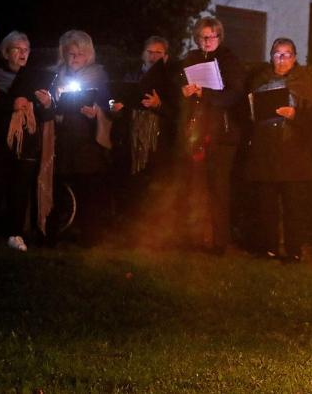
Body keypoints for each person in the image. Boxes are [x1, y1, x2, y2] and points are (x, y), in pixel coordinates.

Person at [0, 31, 53, 250]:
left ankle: (15, 234)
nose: (23, 54)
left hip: (27, 142)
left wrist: (46, 104)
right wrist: (10, 105)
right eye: (17, 49)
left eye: (26, 50)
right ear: (6, 52)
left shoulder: (34, 78)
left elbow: (47, 117)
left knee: (20, 188)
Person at [245, 37, 312, 262]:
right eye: (277, 54)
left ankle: (294, 251)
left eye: (287, 54)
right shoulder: (260, 80)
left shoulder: (305, 82)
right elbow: (250, 112)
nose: (282, 59)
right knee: (266, 203)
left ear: (295, 58)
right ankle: (268, 247)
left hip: (294, 152)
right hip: (266, 150)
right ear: (271, 57)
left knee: (293, 206)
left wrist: (295, 115)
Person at [179, 16, 246, 253]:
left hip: (222, 134)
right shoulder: (192, 60)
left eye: (211, 37)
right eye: (202, 37)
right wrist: (185, 92)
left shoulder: (230, 61)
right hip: (198, 132)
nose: (206, 41)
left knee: (219, 188)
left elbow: (233, 94)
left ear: (219, 37)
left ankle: (219, 242)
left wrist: (204, 94)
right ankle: (194, 236)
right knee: (195, 186)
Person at [110, 36, 180, 233]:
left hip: (158, 142)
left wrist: (159, 105)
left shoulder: (172, 82)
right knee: (132, 186)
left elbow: (177, 113)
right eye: (150, 52)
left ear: (166, 57)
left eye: (158, 53)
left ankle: (155, 230)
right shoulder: (130, 76)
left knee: (156, 186)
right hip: (130, 140)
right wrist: (115, 107)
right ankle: (130, 228)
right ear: (143, 54)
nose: (153, 56)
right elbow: (113, 99)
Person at [48, 30, 112, 244]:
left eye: (80, 54)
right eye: (71, 54)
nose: (75, 59)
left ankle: (89, 235)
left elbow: (106, 105)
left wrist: (96, 113)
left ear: (88, 55)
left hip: (86, 141)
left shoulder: (98, 75)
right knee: (58, 186)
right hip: (62, 139)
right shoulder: (54, 75)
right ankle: (57, 232)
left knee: (88, 187)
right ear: (63, 54)